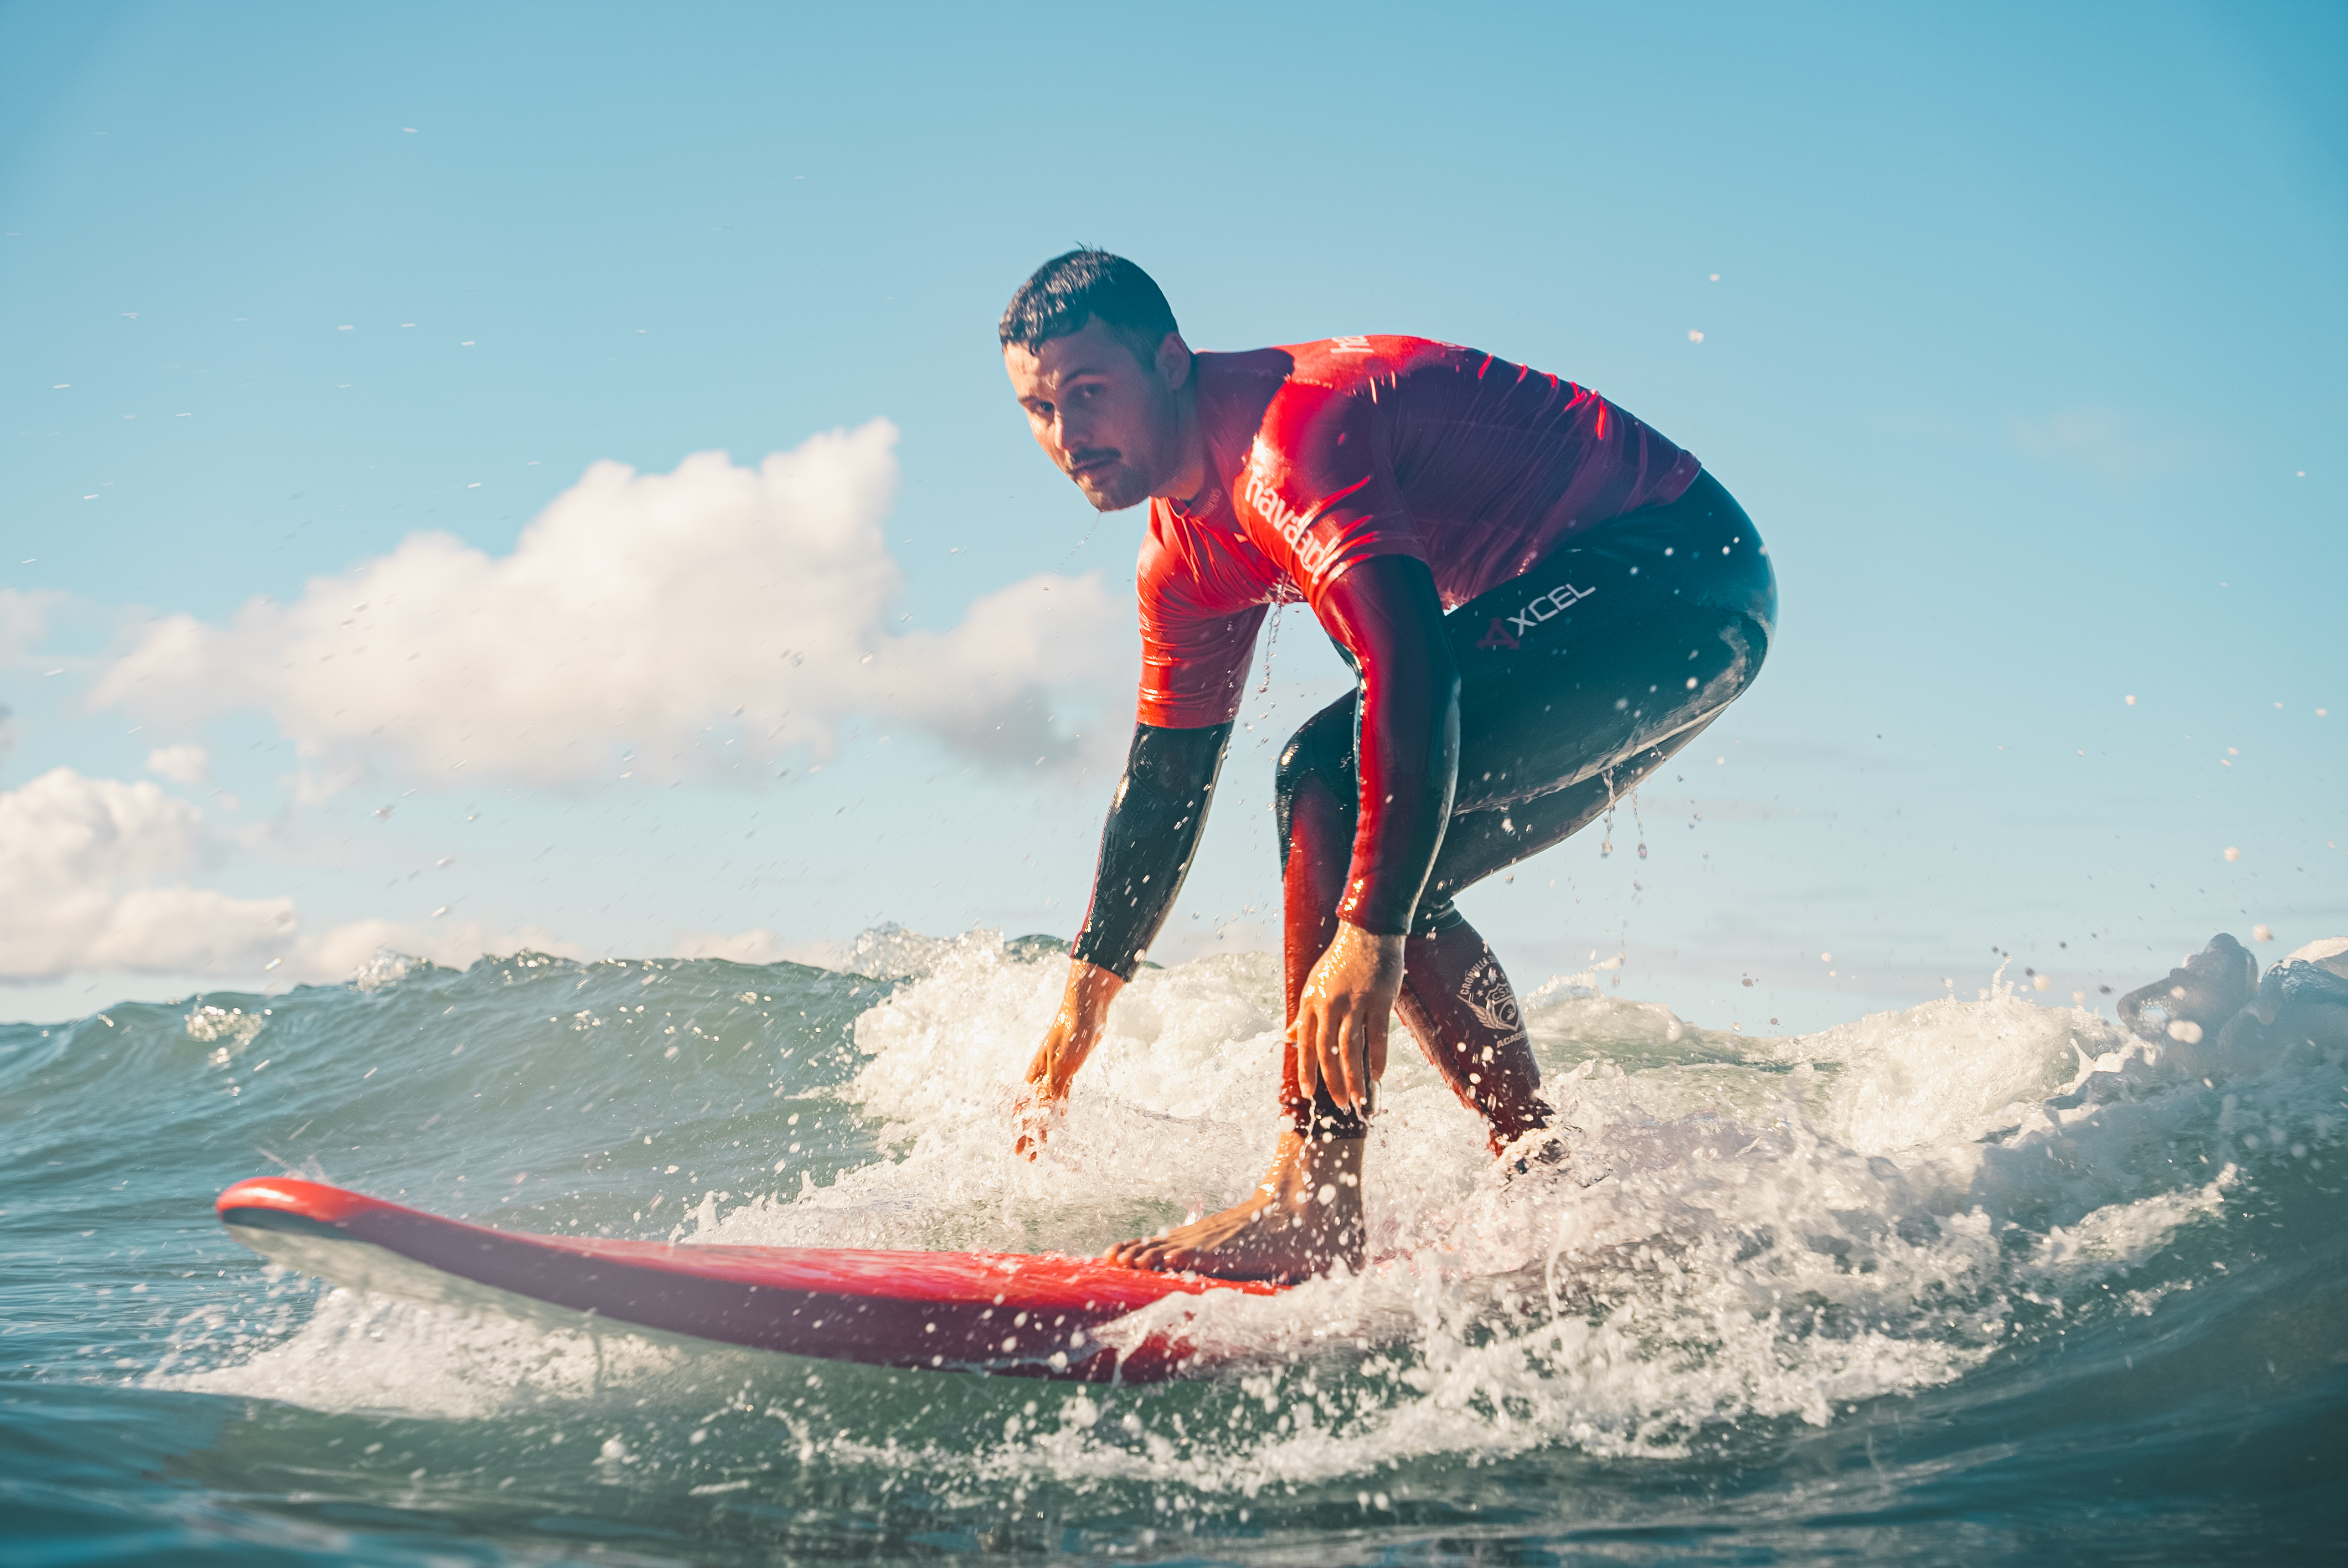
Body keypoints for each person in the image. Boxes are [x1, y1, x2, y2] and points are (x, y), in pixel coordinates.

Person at [1000, 250, 1776, 1281]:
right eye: (1039, 409)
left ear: (1171, 362)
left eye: (1090, 393)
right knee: (1396, 864)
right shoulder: (1182, 562)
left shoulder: (1290, 439)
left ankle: (1311, 1196)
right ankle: (1546, 1173)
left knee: (1328, 778)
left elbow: (1410, 666)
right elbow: (1166, 785)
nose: (1067, 434)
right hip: (1659, 624)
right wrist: (1084, 1002)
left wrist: (1367, 934)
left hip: (1676, 573)